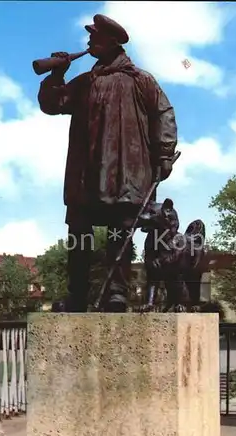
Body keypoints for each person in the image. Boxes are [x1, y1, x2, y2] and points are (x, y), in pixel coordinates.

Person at [38, 14, 178, 312]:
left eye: (95, 38)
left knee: (120, 234)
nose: (89, 42)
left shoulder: (141, 80)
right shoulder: (86, 82)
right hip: (86, 173)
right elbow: (52, 105)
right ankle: (77, 294)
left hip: (126, 173)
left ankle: (117, 294)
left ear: (113, 42)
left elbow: (163, 113)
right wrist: (56, 76)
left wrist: (164, 153)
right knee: (79, 234)